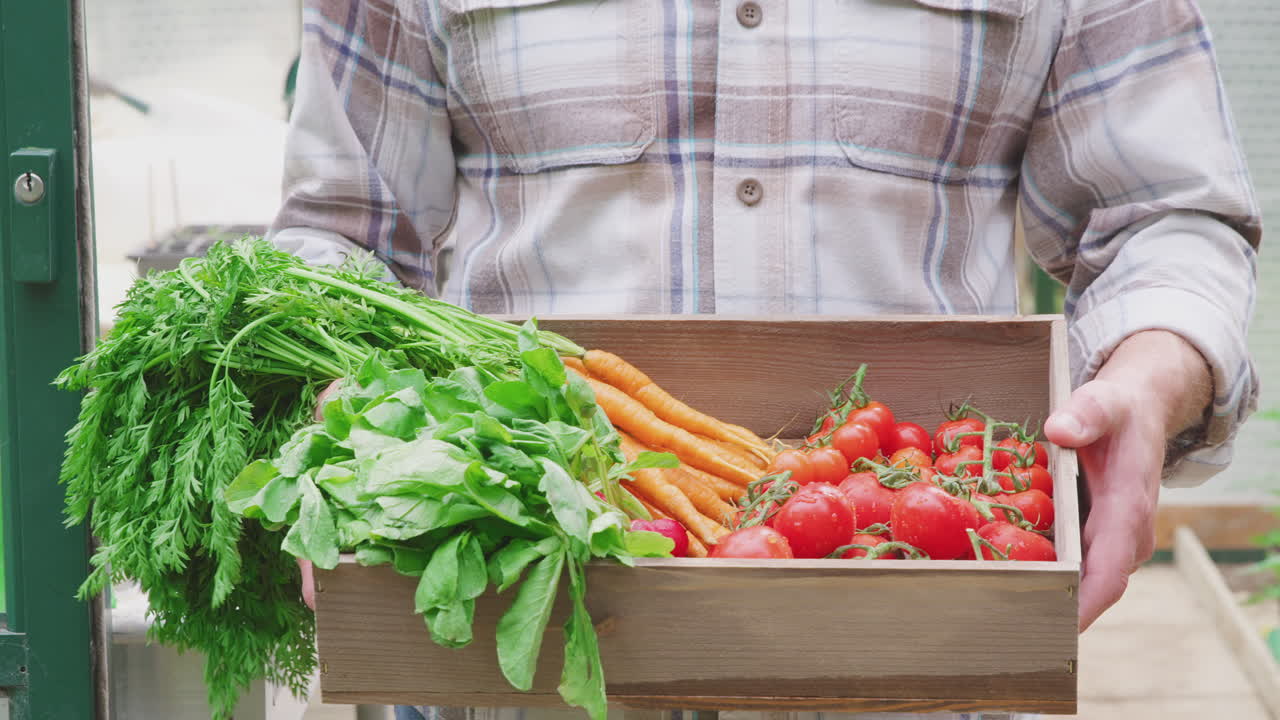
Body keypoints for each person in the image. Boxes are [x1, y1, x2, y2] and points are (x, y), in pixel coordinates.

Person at [273, 0, 1262, 718]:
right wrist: (338, 406)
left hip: (917, 658)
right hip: (520, 653)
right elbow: (346, 233)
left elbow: (1164, 218)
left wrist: (1147, 375)